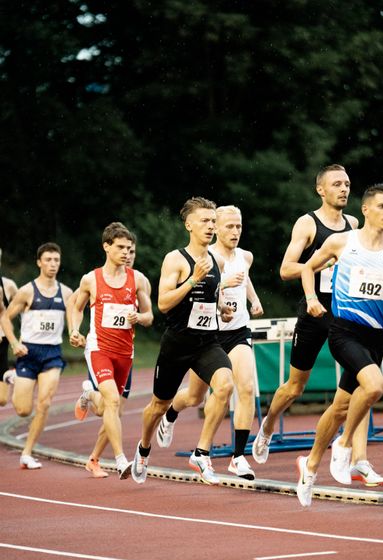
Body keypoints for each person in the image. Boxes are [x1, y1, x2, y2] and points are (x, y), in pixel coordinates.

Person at [252, 164, 383, 486]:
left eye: (347, 184)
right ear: (320, 190)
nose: (344, 189)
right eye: (337, 184)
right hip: (314, 311)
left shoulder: (355, 225)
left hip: (347, 314)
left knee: (362, 385)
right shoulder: (308, 223)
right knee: (295, 387)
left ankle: (360, 460)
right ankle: (269, 424)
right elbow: (285, 269)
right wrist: (324, 261)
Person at [296, 182, 383, 507]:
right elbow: (308, 268)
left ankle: (310, 465)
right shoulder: (343, 241)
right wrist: (312, 298)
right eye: (382, 207)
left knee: (341, 406)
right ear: (366, 209)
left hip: (377, 336)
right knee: (374, 387)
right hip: (344, 332)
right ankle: (343, 447)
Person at [131, 196, 234, 486]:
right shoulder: (176, 259)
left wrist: (221, 309)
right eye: (204, 221)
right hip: (177, 344)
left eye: (213, 221)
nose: (210, 226)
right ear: (189, 225)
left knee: (225, 385)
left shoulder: (218, 260)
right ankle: (143, 448)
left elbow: (211, 298)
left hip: (207, 343)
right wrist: (191, 280)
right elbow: (163, 304)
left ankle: (201, 454)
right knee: (157, 406)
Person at [156, 205, 264, 480]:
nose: (235, 231)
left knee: (247, 388)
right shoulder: (207, 257)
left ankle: (238, 457)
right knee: (195, 397)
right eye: (229, 226)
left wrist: (254, 300)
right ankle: (171, 413)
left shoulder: (246, 256)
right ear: (216, 228)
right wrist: (222, 289)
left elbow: (246, 278)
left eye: (239, 226)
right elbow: (200, 294)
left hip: (238, 330)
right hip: (209, 335)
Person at [69, 222, 152, 480]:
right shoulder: (90, 279)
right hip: (98, 349)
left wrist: (139, 316)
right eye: (120, 247)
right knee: (113, 403)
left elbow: (150, 316)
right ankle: (120, 460)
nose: (126, 252)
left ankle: (88, 396)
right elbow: (76, 306)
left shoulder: (138, 279)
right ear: (107, 247)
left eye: (129, 248)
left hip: (125, 353)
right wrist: (74, 329)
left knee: (108, 409)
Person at [0, 243, 72, 469]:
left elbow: (74, 321)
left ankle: (27, 452)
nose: (52, 264)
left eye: (56, 260)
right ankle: (11, 377)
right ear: (39, 262)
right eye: (48, 260)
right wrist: (14, 342)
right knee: (23, 410)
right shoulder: (26, 291)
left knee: (45, 402)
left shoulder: (67, 293)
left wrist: (77, 334)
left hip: (52, 354)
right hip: (28, 352)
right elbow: (4, 318)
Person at [0, 248, 18, 405]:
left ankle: (12, 374)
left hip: (1, 339)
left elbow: (23, 309)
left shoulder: (8, 285)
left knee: (2, 400)